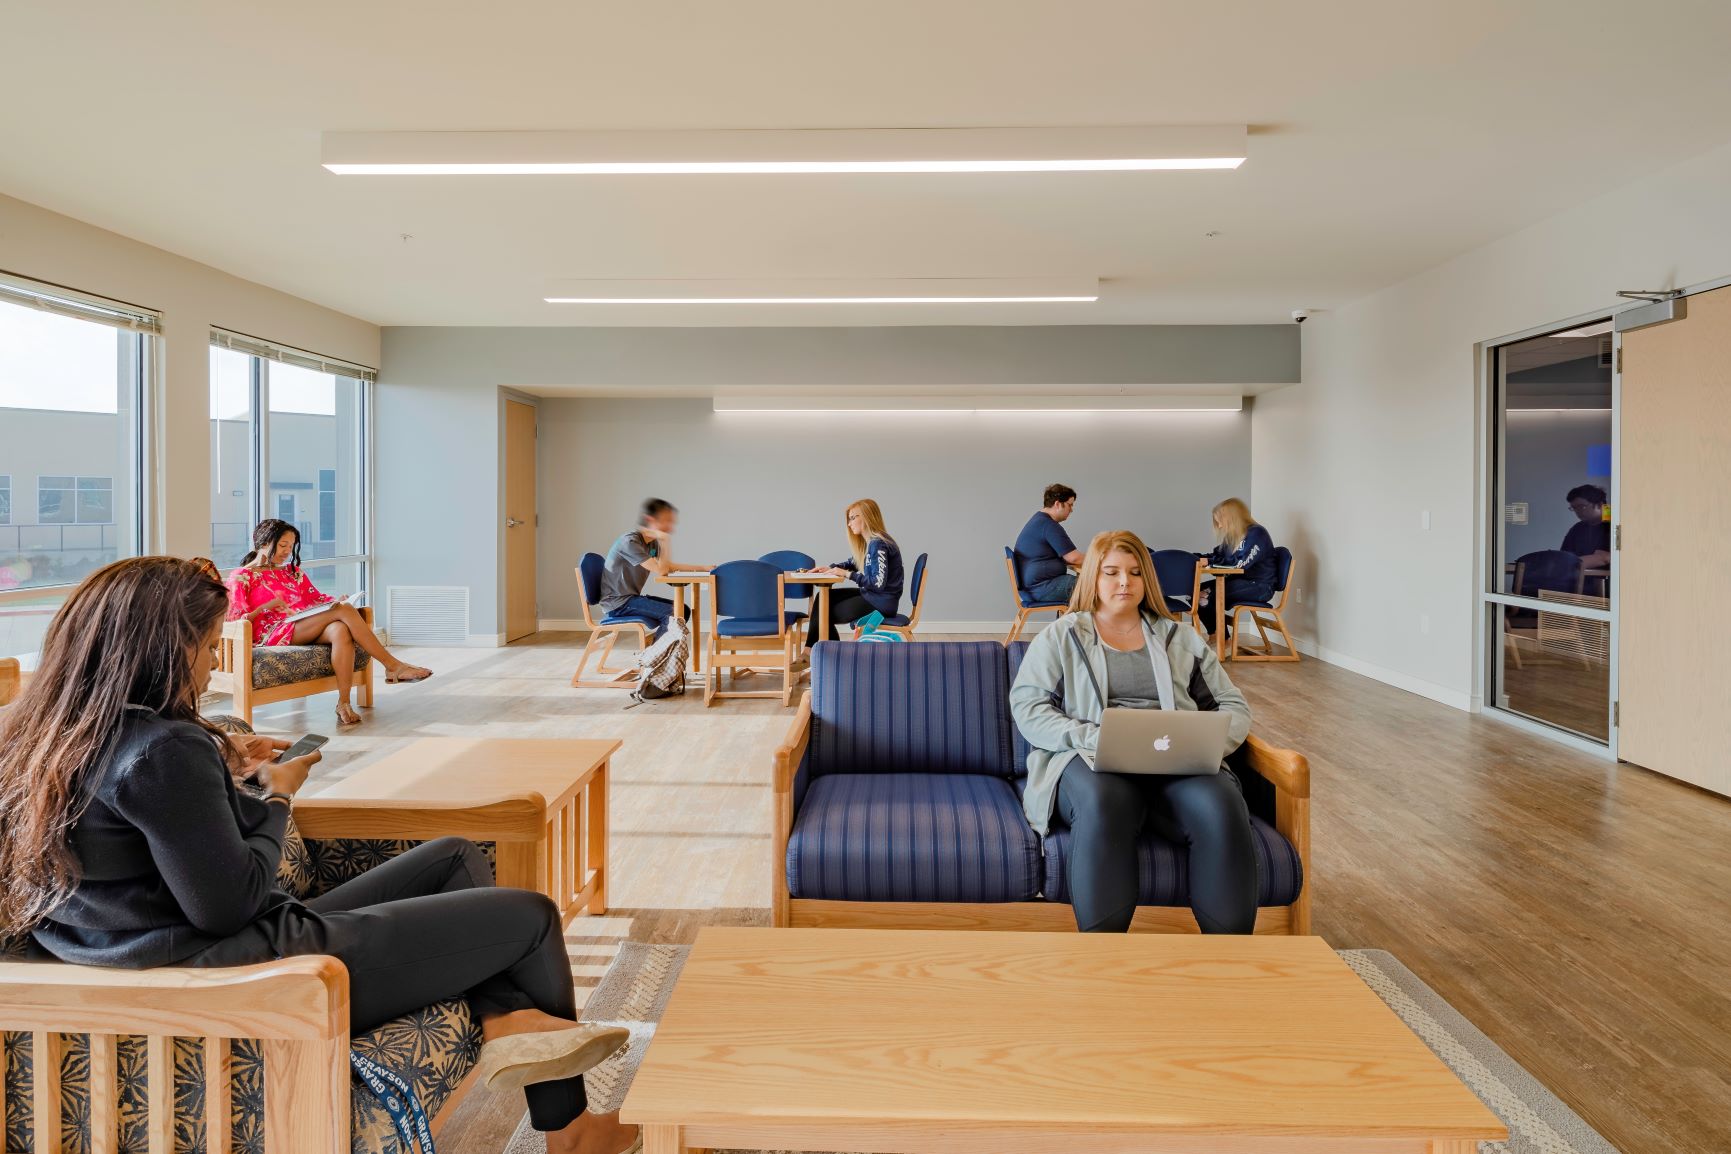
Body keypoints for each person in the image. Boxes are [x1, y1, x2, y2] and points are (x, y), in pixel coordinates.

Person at [0, 558, 638, 1154]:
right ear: (170, 649)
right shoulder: (161, 750)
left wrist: (231, 769)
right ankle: (574, 1131)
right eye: (209, 642)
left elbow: (146, 831)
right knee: (528, 916)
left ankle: (507, 1020)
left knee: (453, 857)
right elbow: (231, 905)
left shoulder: (45, 733)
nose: (209, 662)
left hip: (136, 949)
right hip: (235, 971)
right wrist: (278, 799)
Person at [1010, 530, 1257, 934]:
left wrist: (1209, 745)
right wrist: (1090, 736)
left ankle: (1230, 962)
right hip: (1091, 758)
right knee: (1108, 806)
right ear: (1093, 578)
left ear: (1148, 580)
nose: (1124, 582)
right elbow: (1029, 707)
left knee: (1221, 807)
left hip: (1177, 763)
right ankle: (1105, 960)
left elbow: (1232, 706)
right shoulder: (1062, 636)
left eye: (1134, 572)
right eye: (1111, 573)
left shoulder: (1181, 638)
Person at [224, 519, 431, 727]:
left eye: (291, 546)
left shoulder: (292, 572)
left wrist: (336, 602)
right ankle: (392, 666)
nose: (288, 551)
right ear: (263, 543)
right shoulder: (241, 577)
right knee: (344, 612)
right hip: (270, 633)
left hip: (300, 625)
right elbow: (236, 619)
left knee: (339, 629)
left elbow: (316, 598)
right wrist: (265, 607)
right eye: (283, 545)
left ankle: (344, 703)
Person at [599, 498, 709, 638]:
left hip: (630, 599)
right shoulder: (630, 542)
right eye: (666, 521)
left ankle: (654, 653)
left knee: (683, 610)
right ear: (650, 520)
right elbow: (662, 571)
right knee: (673, 613)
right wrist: (665, 540)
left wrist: (703, 568)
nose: (670, 527)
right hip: (618, 604)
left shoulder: (651, 544)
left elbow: (667, 566)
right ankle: (651, 658)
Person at [808, 499, 904, 646]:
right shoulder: (871, 543)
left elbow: (878, 584)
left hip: (881, 602)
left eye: (853, 518)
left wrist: (847, 574)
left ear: (866, 517)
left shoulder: (878, 544)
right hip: (872, 596)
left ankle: (828, 655)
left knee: (824, 612)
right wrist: (832, 568)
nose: (849, 523)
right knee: (823, 598)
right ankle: (813, 652)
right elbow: (852, 562)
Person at [1196, 497, 1278, 636]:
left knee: (1205, 596)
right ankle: (1218, 635)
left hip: (1260, 586)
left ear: (1231, 517)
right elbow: (1216, 556)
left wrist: (1209, 562)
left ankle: (1220, 638)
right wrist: (1193, 558)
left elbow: (1238, 564)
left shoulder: (1256, 533)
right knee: (1196, 593)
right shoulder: (1233, 537)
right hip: (1240, 582)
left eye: (1220, 521)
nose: (1220, 526)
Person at [1013, 483, 1084, 604]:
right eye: (1070, 505)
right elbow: (1074, 558)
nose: (1071, 510)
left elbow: (1068, 557)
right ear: (1057, 504)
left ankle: (1069, 622)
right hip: (1042, 588)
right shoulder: (1048, 525)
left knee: (1087, 583)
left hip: (1035, 588)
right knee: (1095, 585)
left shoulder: (1039, 520)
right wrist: (1103, 559)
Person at [1561, 484, 1612, 569]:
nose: (1577, 511)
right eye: (1574, 508)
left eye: (1581, 506)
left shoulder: (1613, 525)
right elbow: (1564, 557)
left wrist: (1564, 566)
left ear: (1599, 505)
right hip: (1580, 580)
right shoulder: (1577, 529)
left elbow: (1603, 558)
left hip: (1607, 581)